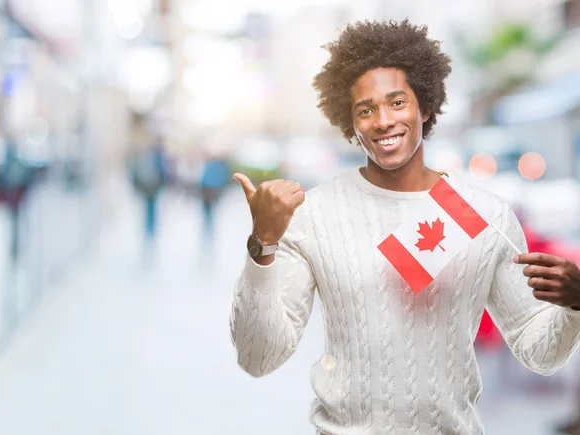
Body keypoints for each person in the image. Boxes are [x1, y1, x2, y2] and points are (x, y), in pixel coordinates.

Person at [229, 20, 580, 434]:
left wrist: (574, 305)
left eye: (397, 102)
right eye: (366, 109)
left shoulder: (483, 213)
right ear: (350, 121)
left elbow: (539, 352)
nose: (382, 120)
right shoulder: (314, 214)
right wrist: (263, 246)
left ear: (425, 106)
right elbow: (258, 357)